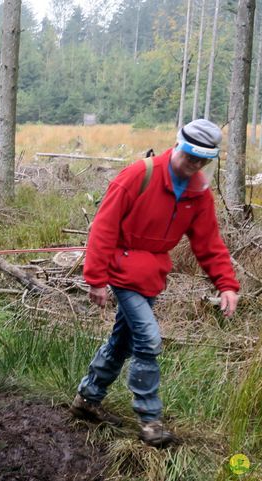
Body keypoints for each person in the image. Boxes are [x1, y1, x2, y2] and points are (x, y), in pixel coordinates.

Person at [70, 119, 240, 447]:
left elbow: (208, 241)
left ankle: (87, 399)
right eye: (191, 157)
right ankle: (150, 420)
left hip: (151, 276)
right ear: (178, 146)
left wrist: (226, 283)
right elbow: (104, 227)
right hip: (122, 270)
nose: (195, 166)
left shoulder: (198, 192)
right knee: (148, 340)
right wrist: (96, 278)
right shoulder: (139, 174)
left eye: (203, 161)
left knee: (122, 342)